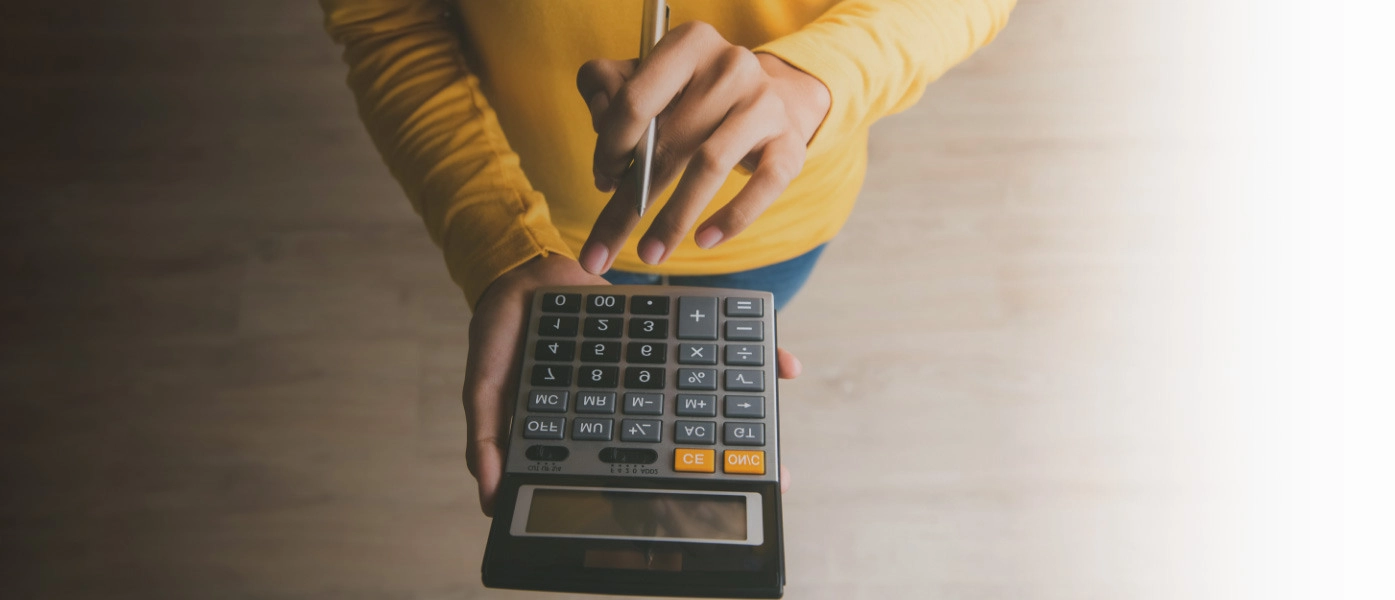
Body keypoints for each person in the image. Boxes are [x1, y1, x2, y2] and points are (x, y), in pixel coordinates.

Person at [322, 0, 1014, 516]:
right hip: (553, 230)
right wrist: (500, 239)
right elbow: (383, 20)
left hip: (772, 219)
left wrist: (811, 78)